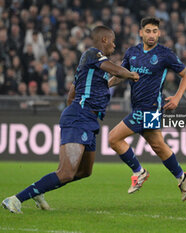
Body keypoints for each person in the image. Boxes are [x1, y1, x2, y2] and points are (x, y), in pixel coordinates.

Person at [2, 25, 139, 214]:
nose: (115, 46)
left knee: (84, 172)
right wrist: (132, 74)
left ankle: (39, 190)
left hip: (87, 120)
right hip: (80, 117)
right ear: (104, 40)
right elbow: (115, 70)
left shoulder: (90, 69)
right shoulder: (93, 53)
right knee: (66, 172)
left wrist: (124, 75)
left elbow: (72, 93)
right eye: (113, 41)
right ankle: (16, 199)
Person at [108, 17, 186, 201]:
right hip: (138, 106)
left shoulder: (165, 54)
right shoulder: (132, 52)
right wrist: (105, 84)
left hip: (151, 108)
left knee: (113, 138)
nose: (152, 35)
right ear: (141, 32)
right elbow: (121, 75)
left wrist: (177, 97)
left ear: (159, 33)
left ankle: (139, 172)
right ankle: (182, 176)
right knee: (158, 145)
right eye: (148, 31)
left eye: (155, 31)